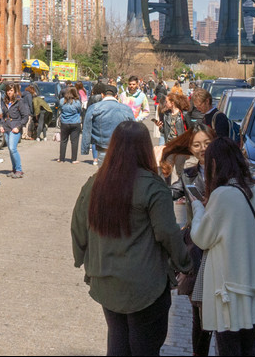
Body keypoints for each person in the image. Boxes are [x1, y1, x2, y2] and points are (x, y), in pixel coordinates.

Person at [71, 121, 192, 356]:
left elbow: (77, 227)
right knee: (144, 344)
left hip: (105, 276)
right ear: (145, 149)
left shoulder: (95, 183)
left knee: (117, 338)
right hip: (145, 283)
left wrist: (82, 259)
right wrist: (185, 263)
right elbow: (167, 232)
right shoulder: (152, 186)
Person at [190, 138, 255, 357]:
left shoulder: (222, 195)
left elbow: (201, 237)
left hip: (227, 290)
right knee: (248, 345)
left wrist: (198, 208)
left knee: (228, 347)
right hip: (251, 284)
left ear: (215, 164)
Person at [160, 124, 216, 357]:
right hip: (199, 247)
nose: (202, 149)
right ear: (190, 148)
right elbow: (171, 193)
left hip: (222, 246)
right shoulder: (188, 174)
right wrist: (158, 180)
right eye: (196, 144)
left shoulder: (226, 170)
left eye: (206, 143)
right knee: (199, 309)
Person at [81, 83, 135, 167]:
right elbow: (133, 129)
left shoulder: (94, 108)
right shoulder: (126, 109)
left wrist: (85, 148)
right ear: (116, 95)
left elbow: (87, 129)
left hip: (103, 149)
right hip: (121, 149)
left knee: (104, 176)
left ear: (102, 95)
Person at [2, 84, 32, 178]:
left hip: (15, 127)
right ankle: (14, 169)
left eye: (11, 90)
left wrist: (18, 127)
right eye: (7, 91)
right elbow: (2, 115)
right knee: (10, 150)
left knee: (12, 148)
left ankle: (19, 170)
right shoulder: (4, 101)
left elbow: (25, 116)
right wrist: (1, 125)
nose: (9, 92)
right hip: (6, 127)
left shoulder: (19, 101)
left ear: (15, 91)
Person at [57, 86, 84, 163]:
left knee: (63, 141)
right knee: (74, 141)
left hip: (64, 123)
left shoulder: (62, 101)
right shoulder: (77, 102)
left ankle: (61, 158)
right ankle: (74, 159)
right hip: (75, 123)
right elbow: (80, 111)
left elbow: (60, 109)